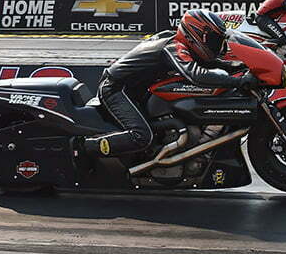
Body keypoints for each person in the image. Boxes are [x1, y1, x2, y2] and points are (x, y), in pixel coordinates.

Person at [83, 10, 258, 157]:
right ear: (198, 34)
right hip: (116, 89)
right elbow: (196, 74)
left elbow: (211, 63)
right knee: (142, 136)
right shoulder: (174, 47)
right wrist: (238, 81)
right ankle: (84, 147)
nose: (217, 45)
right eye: (213, 40)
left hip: (136, 90)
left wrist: (242, 66)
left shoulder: (180, 44)